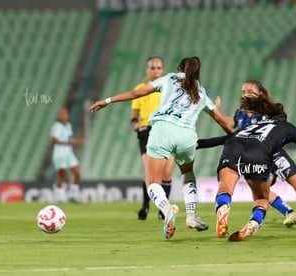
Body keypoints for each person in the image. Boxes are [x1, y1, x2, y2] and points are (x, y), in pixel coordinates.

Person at [89, 56, 233, 239]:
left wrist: (106, 101)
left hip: (162, 131)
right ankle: (191, 216)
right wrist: (233, 133)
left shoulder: (169, 78)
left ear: (180, 68)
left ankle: (166, 210)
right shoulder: (201, 92)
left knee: (152, 182)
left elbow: (136, 94)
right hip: (187, 136)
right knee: (187, 172)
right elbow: (223, 122)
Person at [213, 94, 296, 242]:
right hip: (262, 156)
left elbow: (228, 139)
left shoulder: (254, 125)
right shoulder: (286, 127)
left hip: (266, 155)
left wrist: (199, 144)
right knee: (263, 195)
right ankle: (266, 219)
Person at [131, 56, 175, 221]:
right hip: (147, 131)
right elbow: (134, 114)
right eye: (153, 68)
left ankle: (163, 208)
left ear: (163, 70)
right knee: (150, 171)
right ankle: (145, 205)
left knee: (167, 172)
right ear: (147, 70)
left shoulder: (170, 88)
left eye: (159, 68)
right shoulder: (140, 89)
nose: (156, 71)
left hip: (166, 130)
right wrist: (134, 123)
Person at [50, 108, 84, 203]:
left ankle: (73, 195)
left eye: (65, 113)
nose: (64, 115)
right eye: (62, 114)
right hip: (60, 153)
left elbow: (69, 139)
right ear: (59, 116)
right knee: (62, 175)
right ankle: (60, 197)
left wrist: (73, 142)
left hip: (69, 153)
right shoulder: (56, 126)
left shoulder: (68, 125)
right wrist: (68, 142)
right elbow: (53, 140)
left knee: (77, 173)